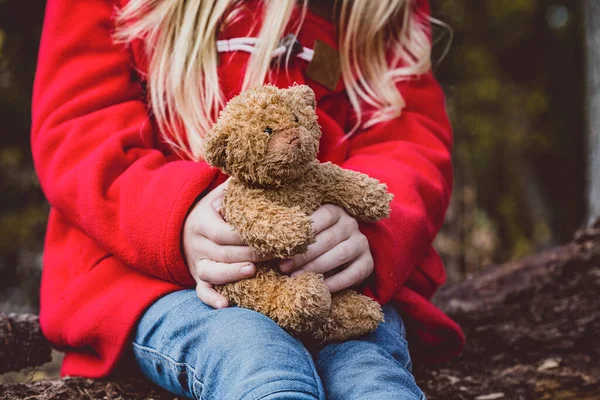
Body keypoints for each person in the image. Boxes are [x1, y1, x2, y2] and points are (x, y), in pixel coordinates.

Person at [31, 0, 465, 398]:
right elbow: (79, 129)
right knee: (256, 359)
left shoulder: (373, 10)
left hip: (338, 284)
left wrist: (365, 233)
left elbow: (408, 135)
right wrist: (175, 218)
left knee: (369, 376)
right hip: (156, 282)